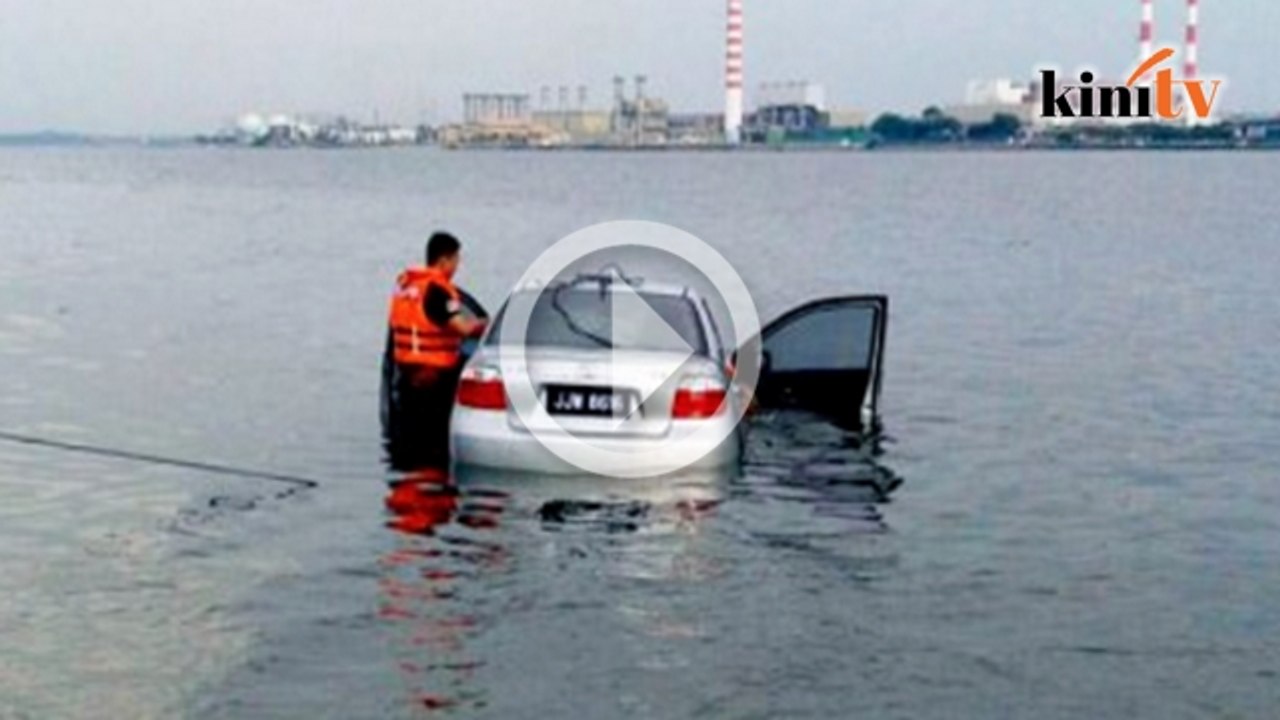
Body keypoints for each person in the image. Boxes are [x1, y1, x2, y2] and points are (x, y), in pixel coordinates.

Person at [384, 232, 487, 447]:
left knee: (410, 443)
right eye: (456, 260)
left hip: (405, 377)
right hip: (434, 380)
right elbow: (463, 328)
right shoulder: (438, 291)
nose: (457, 267)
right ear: (444, 261)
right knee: (432, 441)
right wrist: (487, 325)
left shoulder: (406, 287)